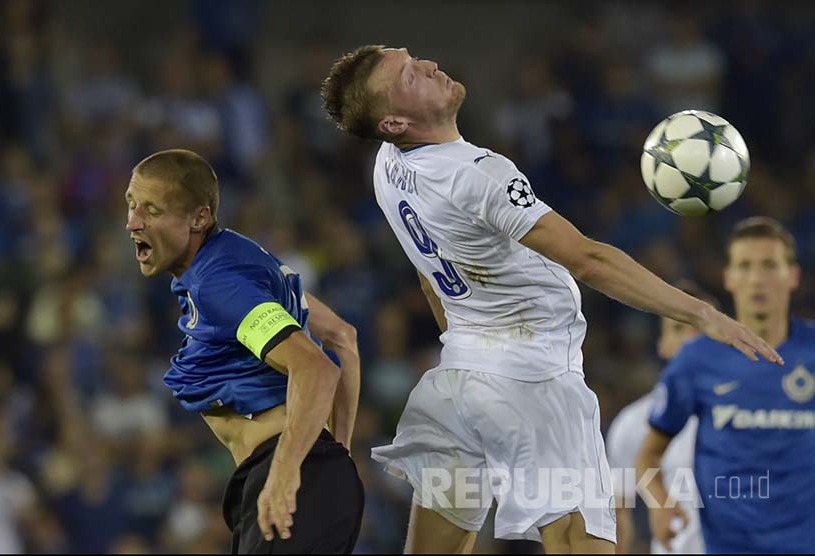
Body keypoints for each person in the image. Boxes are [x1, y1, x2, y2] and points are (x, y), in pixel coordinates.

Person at [320, 45, 782, 555]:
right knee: (580, 542)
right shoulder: (479, 173)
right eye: (410, 75)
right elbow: (588, 260)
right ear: (393, 122)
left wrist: (468, 346)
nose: (428, 66)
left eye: (416, 59)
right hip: (534, 382)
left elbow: (430, 279)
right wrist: (702, 312)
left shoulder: (387, 169)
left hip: (456, 383)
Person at [124, 149, 364, 553]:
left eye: (152, 210)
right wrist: (337, 457)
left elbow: (317, 368)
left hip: (289, 476)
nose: (132, 223)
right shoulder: (240, 259)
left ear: (199, 218)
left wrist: (289, 472)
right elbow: (343, 337)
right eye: (131, 204)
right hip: (310, 476)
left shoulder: (218, 285)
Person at [637, 217, 815, 554]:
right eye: (745, 266)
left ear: (793, 276)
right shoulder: (697, 359)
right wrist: (658, 502)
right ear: (729, 278)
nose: (757, 279)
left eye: (769, 265)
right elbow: (647, 455)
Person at [607, 281, 718, 554]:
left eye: (702, 327)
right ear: (663, 345)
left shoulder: (747, 412)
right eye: (679, 327)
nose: (692, 338)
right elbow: (617, 514)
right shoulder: (633, 423)